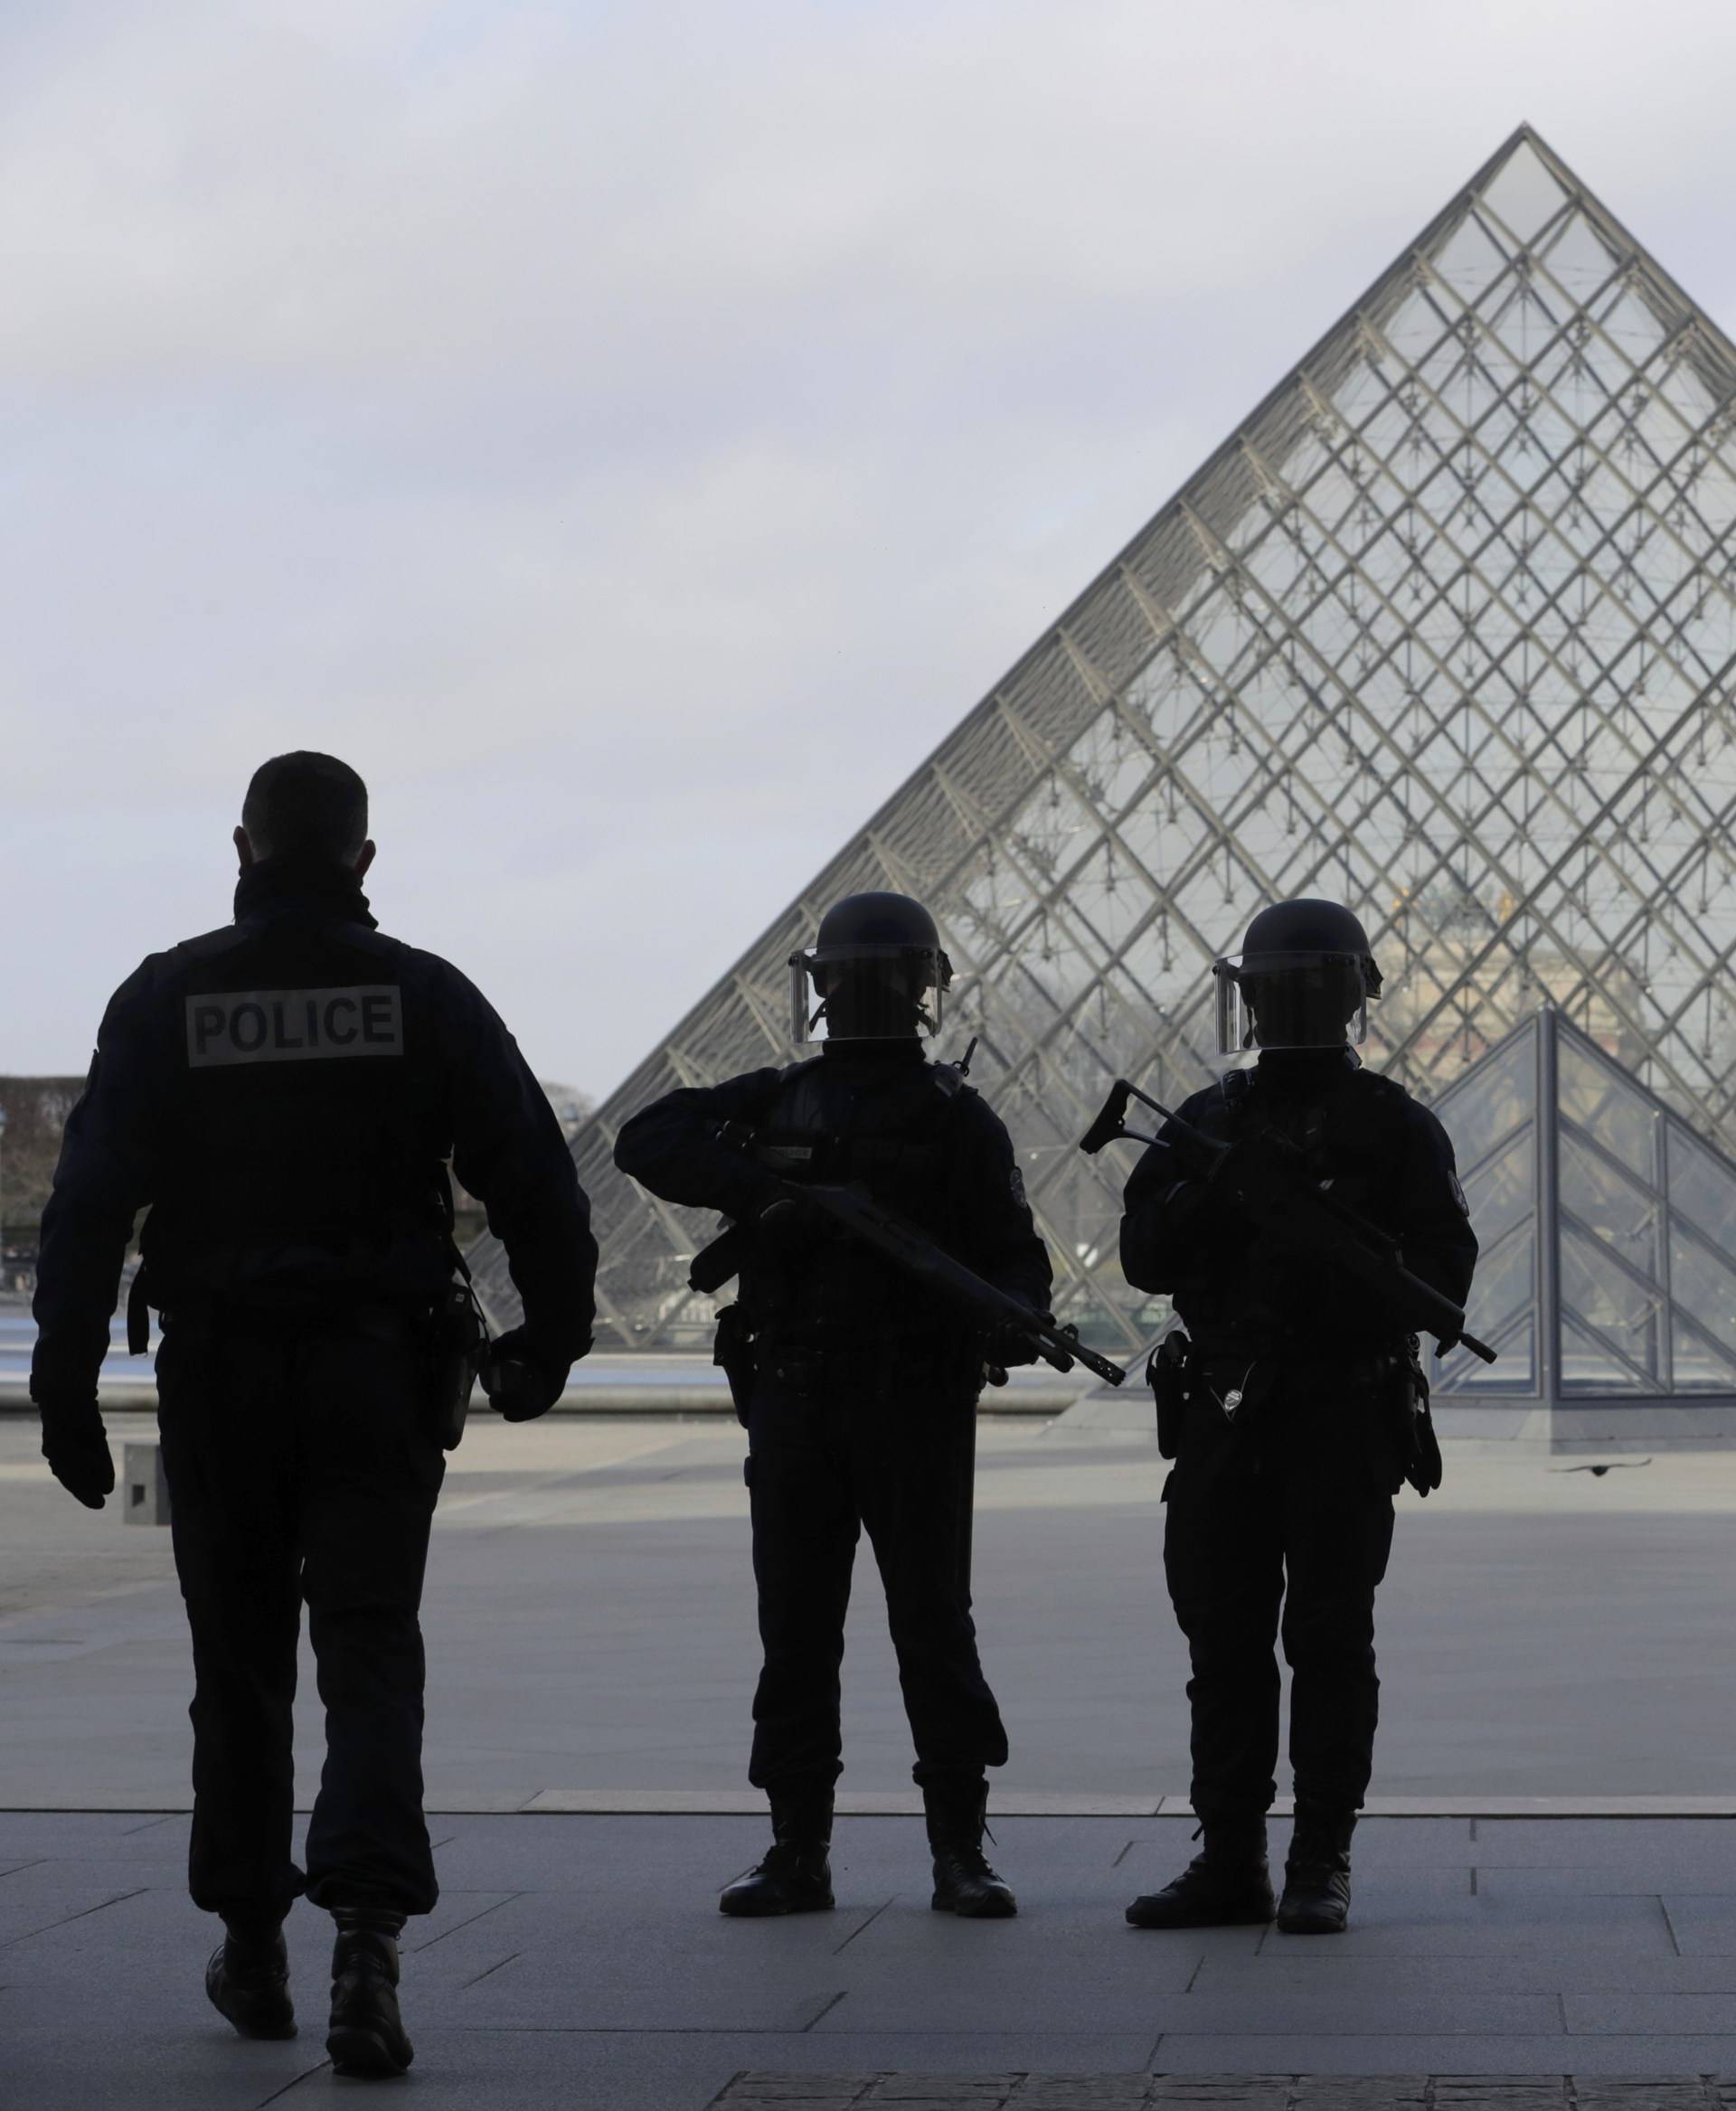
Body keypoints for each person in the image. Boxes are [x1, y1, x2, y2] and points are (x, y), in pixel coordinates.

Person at [30, 752, 597, 2076]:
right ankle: (367, 1943)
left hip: (219, 1370)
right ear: (363, 859)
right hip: (375, 1370)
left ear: (243, 843)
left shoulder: (170, 995)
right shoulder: (427, 995)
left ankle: (252, 1939)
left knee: (236, 1662)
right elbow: (536, 1182)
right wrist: (549, 1342)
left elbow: (90, 1205)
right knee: (369, 1647)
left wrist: (64, 1383)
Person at [615, 891, 1052, 1920]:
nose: (865, 996)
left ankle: (914, 1847)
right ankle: (831, 1850)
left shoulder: (942, 1116)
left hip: (891, 1398)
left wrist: (1015, 1315)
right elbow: (648, 1136)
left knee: (907, 1626)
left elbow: (1014, 1257)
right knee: (825, 1629)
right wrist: (765, 1195)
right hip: (815, 1399)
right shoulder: (781, 1101)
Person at [1119, 900, 1477, 1937]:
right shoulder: (1207, 1127)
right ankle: (1236, 1856)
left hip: (1338, 1407)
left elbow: (1443, 1281)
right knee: (1226, 1642)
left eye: (1296, 991)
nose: (1291, 1009)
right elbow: (1146, 1254)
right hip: (1231, 1412)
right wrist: (1225, 1200)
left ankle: (1319, 1853)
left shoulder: (1398, 1127)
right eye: (1283, 992)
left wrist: (1337, 1253)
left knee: (1326, 1638)